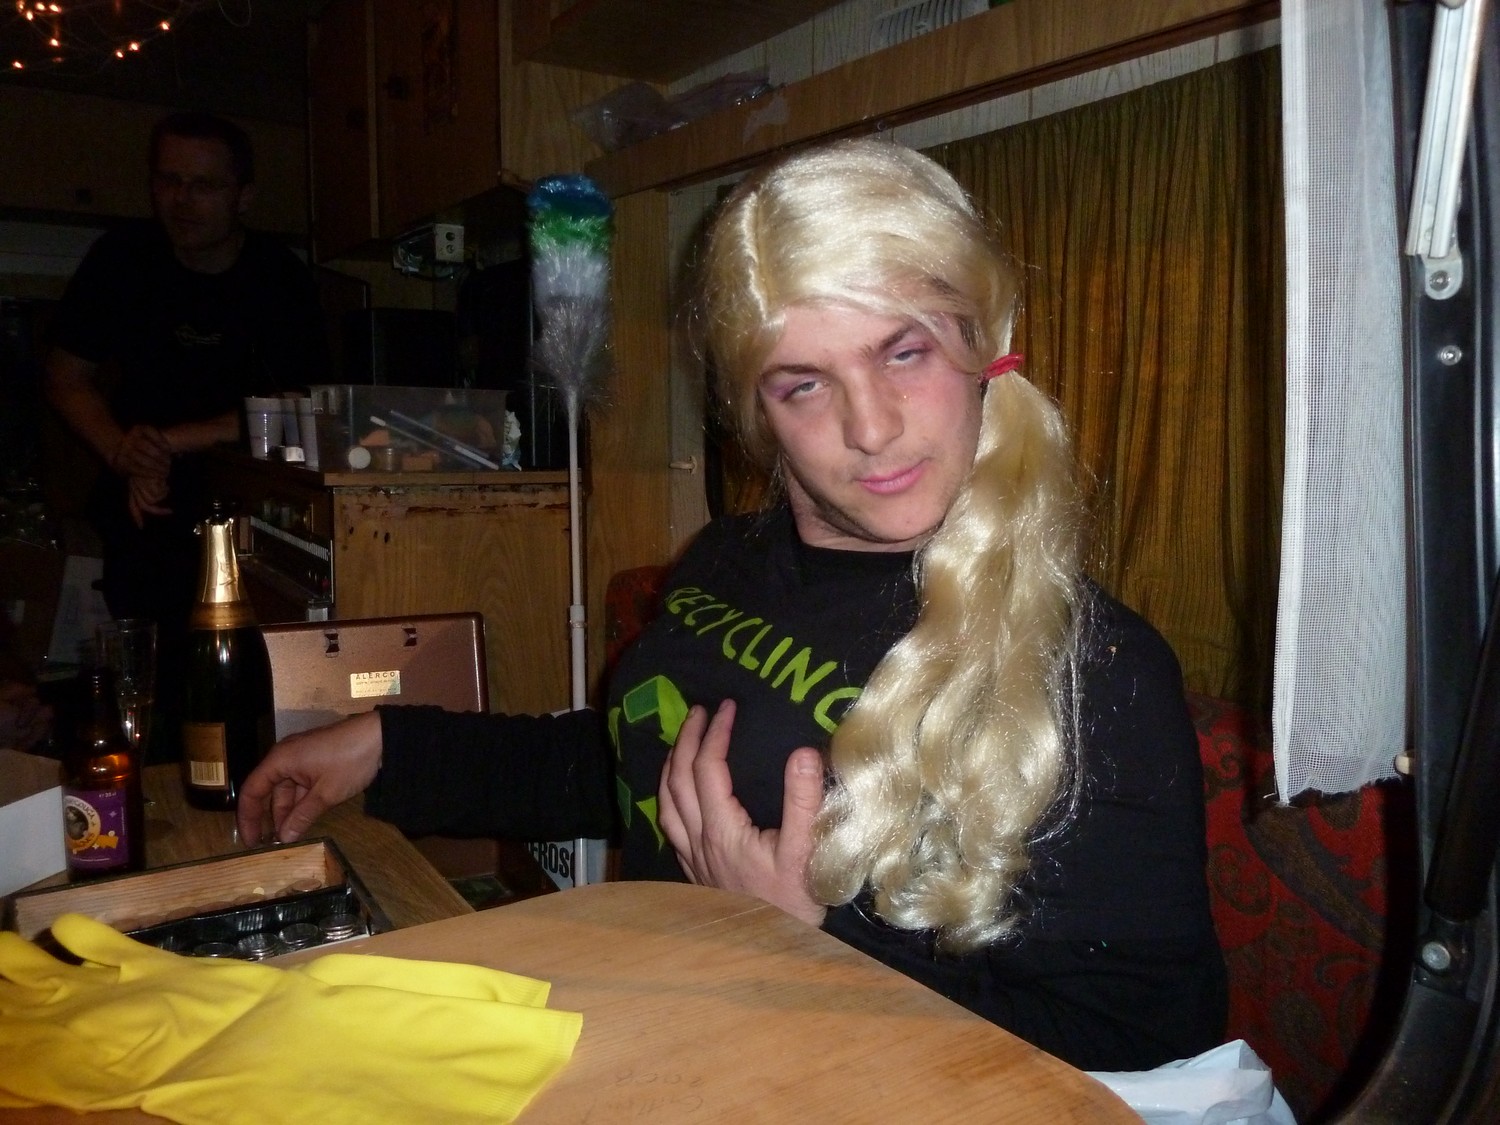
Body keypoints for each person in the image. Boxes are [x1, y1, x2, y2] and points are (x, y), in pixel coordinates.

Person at [238, 139, 1226, 1072]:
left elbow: (1140, 1041)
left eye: (904, 353)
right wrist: (389, 747)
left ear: (982, 347)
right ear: (759, 413)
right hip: (663, 1033)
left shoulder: (1093, 670)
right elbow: (639, 767)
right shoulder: (726, 560)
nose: (870, 428)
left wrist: (807, 939)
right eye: (805, 385)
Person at [45, 111, 327, 761]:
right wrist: (123, 450)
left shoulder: (279, 277)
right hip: (143, 512)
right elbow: (65, 377)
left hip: (248, 519)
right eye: (168, 180)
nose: (182, 199)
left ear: (243, 196)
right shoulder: (121, 258)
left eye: (203, 185)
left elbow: (302, 406)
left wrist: (171, 442)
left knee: (240, 691)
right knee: (144, 694)